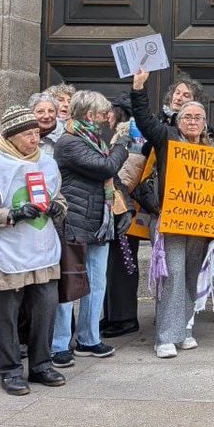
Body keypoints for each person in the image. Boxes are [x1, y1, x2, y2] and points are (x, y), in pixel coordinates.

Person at [0, 105, 70, 395]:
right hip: (6, 251)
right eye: (27, 135)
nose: (35, 139)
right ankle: (10, 370)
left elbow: (59, 196)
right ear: (11, 136)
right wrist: (11, 214)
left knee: (45, 309)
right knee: (7, 316)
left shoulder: (47, 162)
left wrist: (57, 207)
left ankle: (41, 364)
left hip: (41, 248)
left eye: (37, 133)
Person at [131, 68, 214, 358]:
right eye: (187, 117)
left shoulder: (211, 147)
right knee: (173, 275)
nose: (193, 121)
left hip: (200, 225)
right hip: (170, 220)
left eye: (198, 117)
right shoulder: (166, 138)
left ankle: (184, 330)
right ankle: (165, 337)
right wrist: (138, 89)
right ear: (178, 121)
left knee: (191, 275)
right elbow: (144, 120)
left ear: (205, 123)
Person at [51, 90, 130, 366]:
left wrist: (125, 208)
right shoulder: (69, 142)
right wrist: (121, 144)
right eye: (103, 113)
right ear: (89, 114)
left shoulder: (94, 140)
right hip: (73, 221)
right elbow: (105, 167)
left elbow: (112, 179)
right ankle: (59, 344)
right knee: (69, 284)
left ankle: (89, 338)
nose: (106, 118)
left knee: (97, 284)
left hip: (98, 221)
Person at [99, 93, 141, 339]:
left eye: (110, 111)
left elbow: (130, 172)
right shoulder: (119, 135)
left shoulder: (131, 136)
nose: (107, 116)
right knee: (113, 265)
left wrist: (113, 189)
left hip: (123, 207)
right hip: (115, 205)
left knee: (123, 265)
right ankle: (112, 315)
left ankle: (125, 318)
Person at [30, 92, 65, 158]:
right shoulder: (23, 135)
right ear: (31, 114)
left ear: (56, 113)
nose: (46, 116)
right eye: (40, 111)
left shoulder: (65, 136)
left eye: (51, 111)